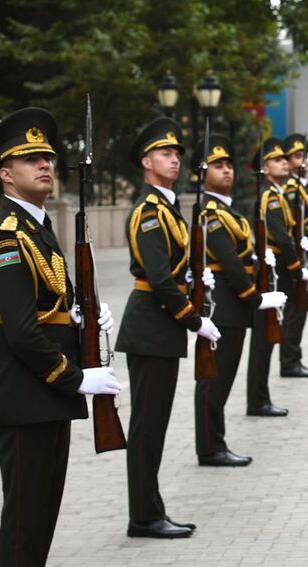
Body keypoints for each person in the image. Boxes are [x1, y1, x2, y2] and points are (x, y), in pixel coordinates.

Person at [0, 107, 119, 567]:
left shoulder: (39, 227)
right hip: (26, 397)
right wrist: (76, 376)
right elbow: (21, 331)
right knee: (24, 528)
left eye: (48, 158)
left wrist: (82, 319)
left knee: (38, 524)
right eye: (30, 159)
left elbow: (49, 308)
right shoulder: (7, 237)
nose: (45, 164)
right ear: (4, 173)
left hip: (41, 398)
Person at [116, 117, 211, 539]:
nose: (174, 160)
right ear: (146, 161)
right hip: (151, 327)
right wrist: (194, 319)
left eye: (176, 155)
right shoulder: (148, 212)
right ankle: (143, 516)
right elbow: (158, 277)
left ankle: (150, 510)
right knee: (147, 426)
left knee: (154, 426)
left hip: (161, 329)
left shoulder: (168, 208)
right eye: (165, 154)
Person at [193, 135, 287, 466]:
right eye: (218, 165)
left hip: (232, 304)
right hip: (223, 302)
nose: (227, 170)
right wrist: (253, 295)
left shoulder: (226, 209)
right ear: (202, 173)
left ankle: (214, 442)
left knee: (223, 377)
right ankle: (210, 446)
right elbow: (228, 260)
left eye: (229, 165)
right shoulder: (210, 211)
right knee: (214, 381)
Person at [245, 138, 295, 417]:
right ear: (264, 168)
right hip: (272, 272)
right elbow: (281, 236)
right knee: (263, 339)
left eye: (284, 159)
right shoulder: (270, 196)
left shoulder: (277, 193)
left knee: (269, 335)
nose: (284, 163)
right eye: (277, 160)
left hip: (275, 268)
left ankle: (260, 397)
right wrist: (297, 266)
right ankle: (257, 399)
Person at [281, 132, 308, 379]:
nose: (303, 161)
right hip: (298, 254)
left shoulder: (301, 185)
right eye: (297, 157)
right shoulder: (290, 188)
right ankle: (289, 361)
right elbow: (293, 225)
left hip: (305, 251)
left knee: (300, 309)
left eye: (304, 156)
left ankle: (293, 358)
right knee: (295, 310)